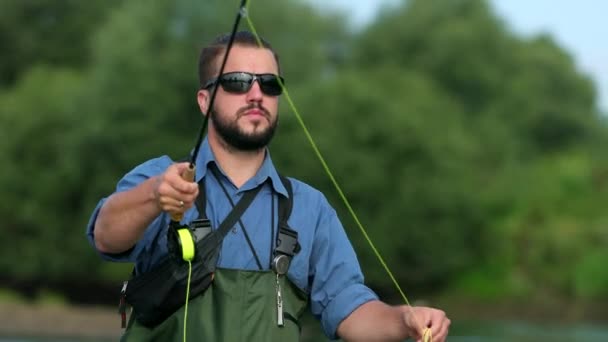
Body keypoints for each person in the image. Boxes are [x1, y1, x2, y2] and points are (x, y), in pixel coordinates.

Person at [86, 30, 451, 341]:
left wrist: (404, 318)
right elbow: (106, 235)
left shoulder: (310, 209)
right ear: (204, 100)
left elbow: (349, 309)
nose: (256, 94)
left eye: (269, 84)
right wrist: (154, 196)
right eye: (237, 82)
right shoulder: (159, 178)